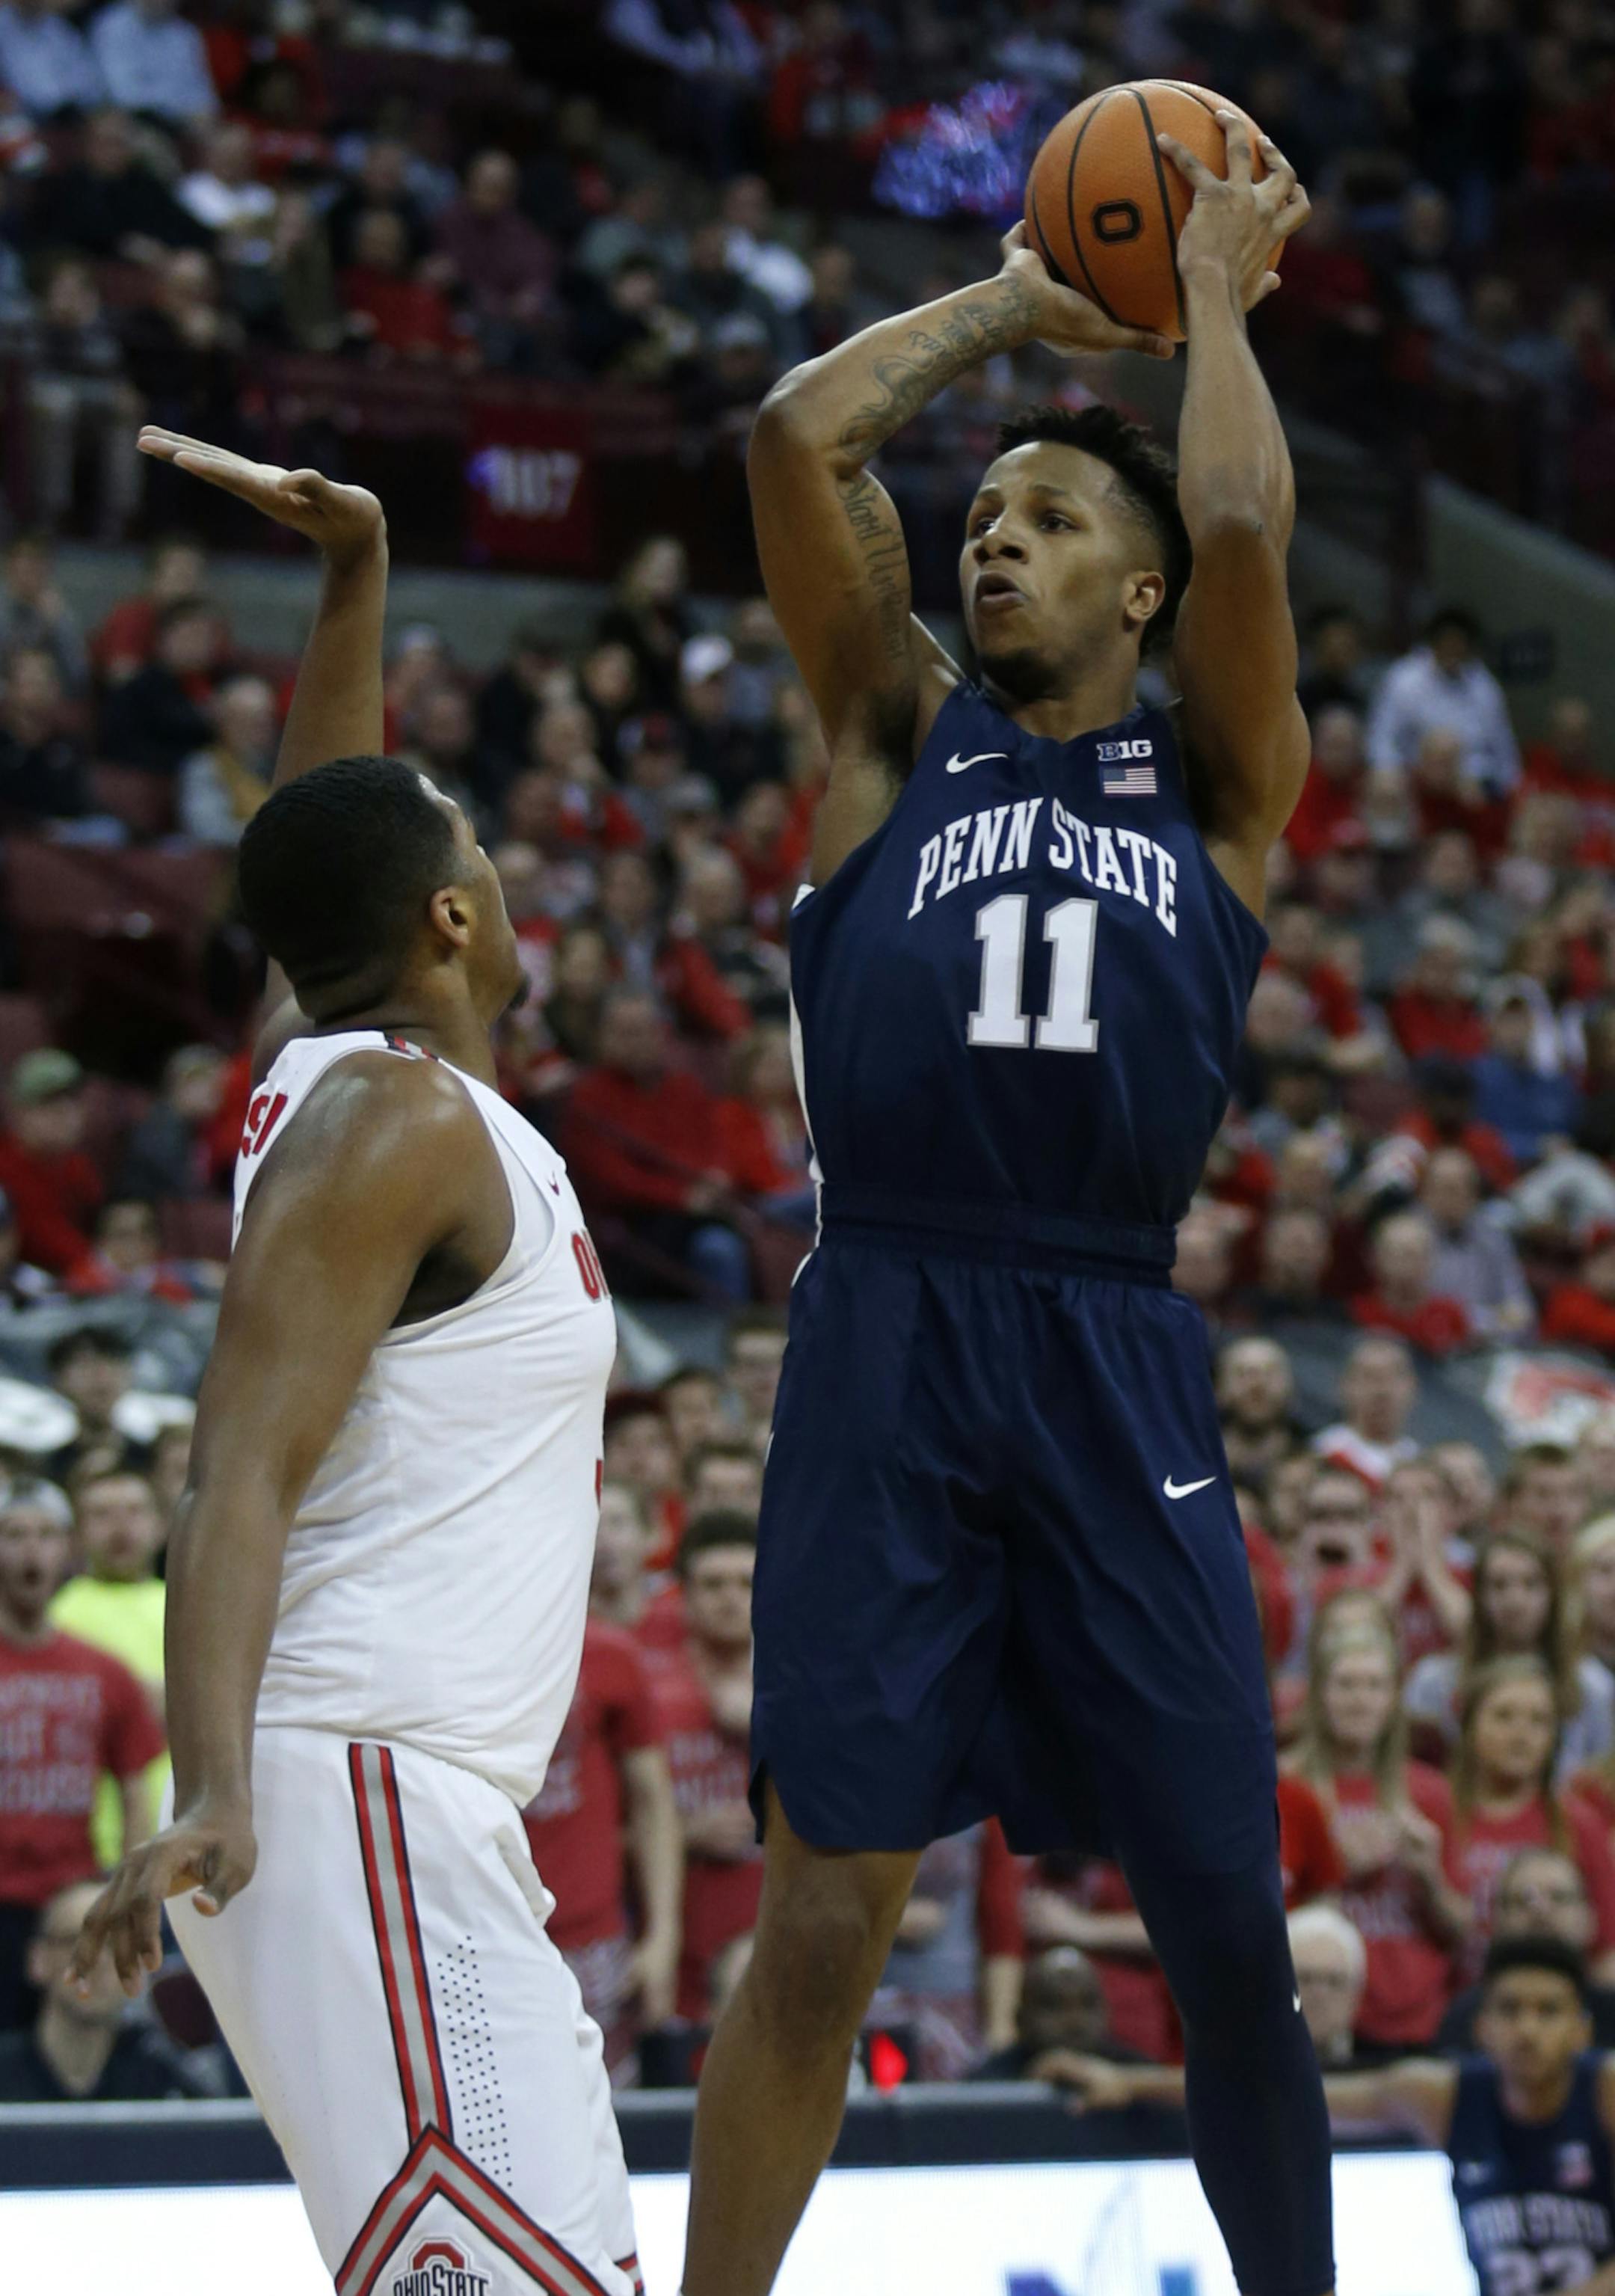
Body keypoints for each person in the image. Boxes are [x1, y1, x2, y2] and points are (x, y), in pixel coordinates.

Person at [682, 117, 1327, 2296]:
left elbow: (1238, 509)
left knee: (1228, 1920)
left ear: (1138, 594)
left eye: (1049, 521)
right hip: (892, 1321)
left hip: (1109, 1331)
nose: (995, 542)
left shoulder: (1222, 783)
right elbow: (796, 433)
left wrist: (1212, 300)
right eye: (980, 520)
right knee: (823, 1914)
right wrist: (1020, 305)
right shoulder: (893, 737)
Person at [70, 433, 641, 2296]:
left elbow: (322, 837)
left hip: (407, 1804)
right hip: (348, 1786)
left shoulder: (344, 1087)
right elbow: (236, 1462)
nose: (502, 875)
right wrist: (212, 1783)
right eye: (481, 854)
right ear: (454, 922)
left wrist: (355, 577)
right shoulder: (388, 1123)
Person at [1068, 1936, 1615, 2295]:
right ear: (1481, 2026)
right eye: (1510, 2009)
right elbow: (1283, 2097)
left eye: (1548, 2012)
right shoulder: (1444, 2097)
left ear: (1582, 2030)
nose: (1527, 2029)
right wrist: (1130, 2080)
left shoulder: (1606, 2094)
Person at [0, 1479, 162, 2031]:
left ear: (67, 1551)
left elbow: (136, 1786)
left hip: (75, 1903)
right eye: (14, 1535)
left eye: (45, 1536)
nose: (30, 1550)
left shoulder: (104, 1671)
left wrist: (129, 1890)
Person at [1286, 1600, 1469, 2049]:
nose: (1360, 1699)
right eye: (1345, 1684)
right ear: (1319, 1695)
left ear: (1394, 1699)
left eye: (1374, 1686)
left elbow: (1462, 1928)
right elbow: (1257, 1919)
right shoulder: (1287, 1789)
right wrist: (1333, 1869)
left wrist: (1428, 1878)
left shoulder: (1431, 1792)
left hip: (1417, 2017)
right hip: (1318, 2015)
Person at [521, 1615, 683, 2084]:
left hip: (591, 1941)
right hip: (481, 1930)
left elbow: (654, 1803)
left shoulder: (607, 1653)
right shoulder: (454, 1649)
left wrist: (662, 1938)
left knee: (606, 2118)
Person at [649, 1511, 763, 2025]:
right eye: (713, 1583)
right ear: (682, 1596)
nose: (730, 1597)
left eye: (746, 1582)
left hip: (784, 1949)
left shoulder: (811, 1696)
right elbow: (599, 1833)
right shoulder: (647, 1693)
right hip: (679, 1961)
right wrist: (686, 1833)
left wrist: (768, 1726)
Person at [1447, 1656, 1615, 1987]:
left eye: (1539, 1721)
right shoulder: (1437, 1813)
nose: (1521, 1733)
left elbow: (1607, 1948)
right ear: (1469, 1724)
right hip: (1451, 2013)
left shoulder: (1578, 1824)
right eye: (1504, 1716)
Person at [1406, 1530, 1615, 1775]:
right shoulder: (1434, 1681)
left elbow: (1601, 1783)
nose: (1515, 1600)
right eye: (1499, 1585)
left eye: (1531, 1584)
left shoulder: (1591, 1685)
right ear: (1477, 1595)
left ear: (1554, 1595)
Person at [49, 1467, 167, 1867]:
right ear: (77, 1533)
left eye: (134, 1511)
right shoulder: (56, 1615)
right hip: (86, 1841)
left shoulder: (188, 1609)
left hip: (176, 1828)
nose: (121, 1526)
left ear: (161, 1524)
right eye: (102, 1514)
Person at [0, 1879, 208, 2101]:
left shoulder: (167, 2087)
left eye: (117, 1945)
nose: (98, 1961)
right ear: (38, 1960)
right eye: (78, 1942)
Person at [1438, 1851, 1615, 2054]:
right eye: (1523, 1900)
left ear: (1589, 1918)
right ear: (1497, 1920)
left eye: (1559, 1897)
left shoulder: (1611, 2012)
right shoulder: (1465, 2017)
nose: (1540, 1910)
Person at [0, 1049, 103, 1277]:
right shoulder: (7, 1166)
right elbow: (46, 1244)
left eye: (71, 1101)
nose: (65, 1113)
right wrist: (107, 1266)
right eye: (49, 1103)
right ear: (18, 1112)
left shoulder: (76, 1165)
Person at [970, 1944, 1142, 2079]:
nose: (1075, 2021)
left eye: (1088, 2004)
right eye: (1052, 2005)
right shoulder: (985, 2087)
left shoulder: (1138, 2075)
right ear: (1020, 2019)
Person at [1288, 1905, 1373, 2068]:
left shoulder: (1382, 2081)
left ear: (1356, 1995)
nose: (1319, 1994)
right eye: (1305, 1978)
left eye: (1334, 1981)